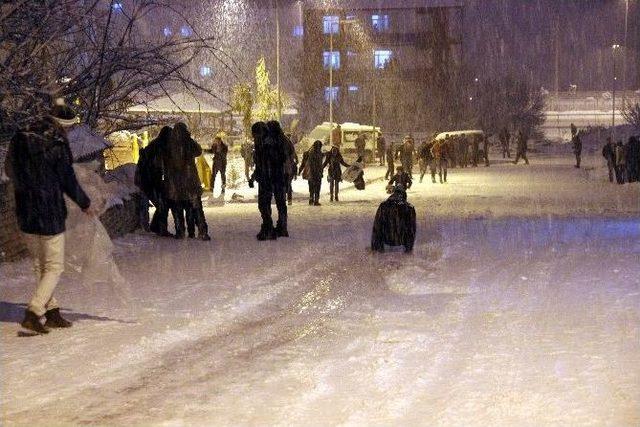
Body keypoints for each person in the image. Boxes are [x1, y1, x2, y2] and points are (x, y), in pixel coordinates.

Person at [5, 99, 96, 334]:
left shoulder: (20, 137)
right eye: (68, 127)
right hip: (49, 211)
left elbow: (8, 170)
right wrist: (85, 203)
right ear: (62, 125)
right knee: (54, 266)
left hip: (25, 209)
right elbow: (67, 179)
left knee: (40, 264)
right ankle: (34, 312)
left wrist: (26, 187)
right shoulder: (56, 143)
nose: (68, 131)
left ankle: (51, 310)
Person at [163, 122, 209, 240]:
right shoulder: (188, 143)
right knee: (196, 208)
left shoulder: (169, 144)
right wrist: (188, 138)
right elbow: (198, 151)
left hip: (175, 184)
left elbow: (164, 162)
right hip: (190, 182)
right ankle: (202, 231)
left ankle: (180, 231)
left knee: (177, 209)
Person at [250, 121, 288, 239]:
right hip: (274, 178)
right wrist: (254, 176)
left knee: (264, 205)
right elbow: (261, 164)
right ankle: (279, 227)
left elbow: (267, 165)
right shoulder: (268, 143)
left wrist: (265, 179)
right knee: (277, 204)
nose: (254, 137)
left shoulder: (267, 145)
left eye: (255, 135)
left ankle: (269, 229)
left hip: (269, 179)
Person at [135, 126, 172, 237]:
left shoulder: (157, 145)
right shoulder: (159, 147)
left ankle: (157, 227)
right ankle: (159, 228)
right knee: (163, 203)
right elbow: (156, 166)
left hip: (149, 179)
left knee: (163, 203)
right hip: (150, 180)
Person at [371, 186, 416, 253]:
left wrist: (375, 247)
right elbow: (411, 229)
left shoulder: (383, 205)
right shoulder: (409, 207)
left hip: (386, 241)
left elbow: (377, 225)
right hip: (401, 242)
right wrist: (409, 248)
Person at [299, 140, 325, 205]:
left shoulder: (311, 152)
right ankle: (315, 200)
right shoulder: (315, 153)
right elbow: (316, 163)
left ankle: (311, 199)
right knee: (317, 186)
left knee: (311, 186)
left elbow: (303, 163)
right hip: (315, 173)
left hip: (310, 173)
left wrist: (300, 170)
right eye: (319, 146)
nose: (319, 147)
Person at [281, 131, 298, 206]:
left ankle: (284, 199)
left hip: (283, 167)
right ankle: (289, 199)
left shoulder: (279, 141)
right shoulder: (289, 143)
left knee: (283, 184)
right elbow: (293, 154)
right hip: (288, 167)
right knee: (288, 183)